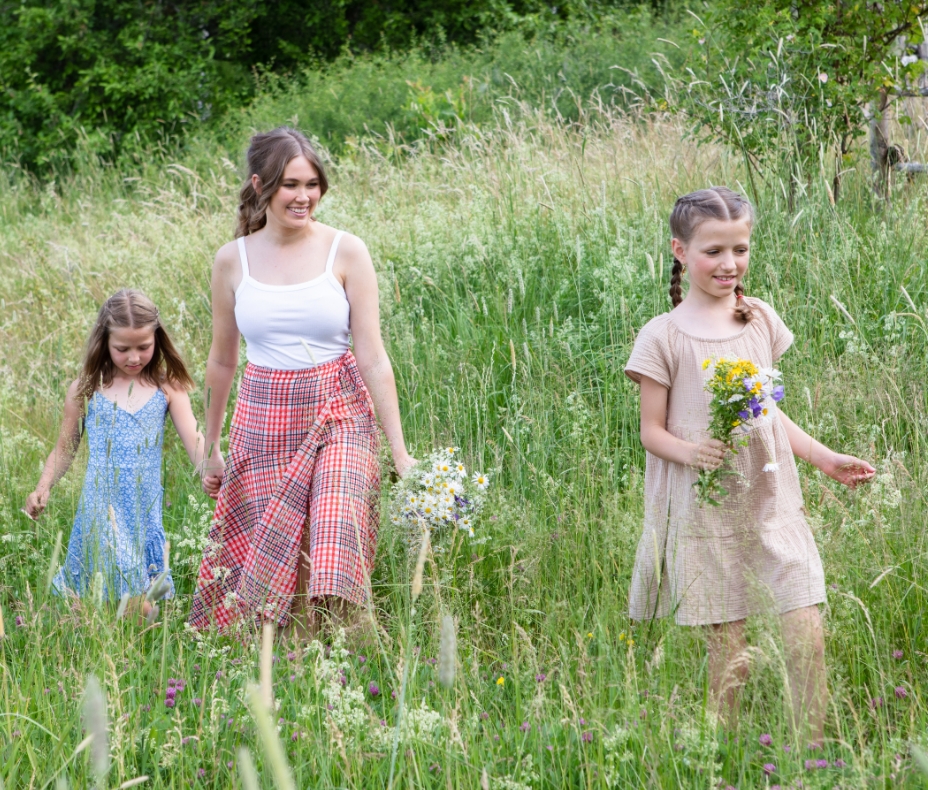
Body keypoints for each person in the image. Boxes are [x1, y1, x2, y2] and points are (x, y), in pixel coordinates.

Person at [624, 187, 875, 742]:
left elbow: (769, 414)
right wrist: (691, 452)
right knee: (728, 649)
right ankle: (725, 758)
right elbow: (650, 432)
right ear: (680, 251)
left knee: (805, 629)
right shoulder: (661, 336)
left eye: (740, 249)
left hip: (769, 501)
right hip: (705, 513)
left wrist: (825, 458)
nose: (729, 263)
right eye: (713, 251)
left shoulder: (758, 319)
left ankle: (810, 751)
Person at [189, 127, 415, 637]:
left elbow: (373, 356)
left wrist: (399, 450)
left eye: (313, 183)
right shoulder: (233, 260)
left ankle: (354, 652)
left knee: (335, 535)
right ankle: (294, 667)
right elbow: (222, 361)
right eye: (291, 184)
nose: (304, 196)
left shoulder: (347, 251)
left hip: (340, 408)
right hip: (265, 413)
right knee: (281, 554)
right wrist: (212, 445)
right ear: (261, 185)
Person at [25, 289, 205, 618]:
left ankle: (132, 652)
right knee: (92, 599)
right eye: (122, 348)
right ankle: (83, 645)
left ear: (157, 339)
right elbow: (65, 447)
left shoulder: (169, 388)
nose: (134, 357)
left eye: (143, 347)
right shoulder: (87, 388)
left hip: (143, 509)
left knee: (139, 605)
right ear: (104, 342)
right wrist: (43, 485)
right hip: (100, 505)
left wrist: (210, 470)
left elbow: (194, 439)